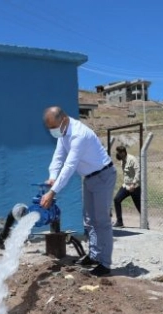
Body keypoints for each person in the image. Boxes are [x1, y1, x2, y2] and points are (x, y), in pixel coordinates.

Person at [40, 106, 116, 277]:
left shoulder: (79, 134)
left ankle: (105, 264)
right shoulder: (63, 132)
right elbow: (58, 157)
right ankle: (94, 256)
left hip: (103, 175)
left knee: (102, 221)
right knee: (89, 220)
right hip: (89, 178)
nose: (52, 131)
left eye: (54, 127)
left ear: (64, 119)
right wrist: (52, 177)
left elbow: (69, 166)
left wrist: (52, 192)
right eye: (50, 128)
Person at [112, 145, 141, 228]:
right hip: (126, 186)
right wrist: (125, 183)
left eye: (119, 153)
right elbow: (126, 174)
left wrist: (133, 184)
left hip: (134, 186)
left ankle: (145, 222)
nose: (118, 154)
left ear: (123, 152)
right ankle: (119, 222)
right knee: (117, 199)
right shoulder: (122, 161)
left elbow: (138, 171)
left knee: (139, 205)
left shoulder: (132, 159)